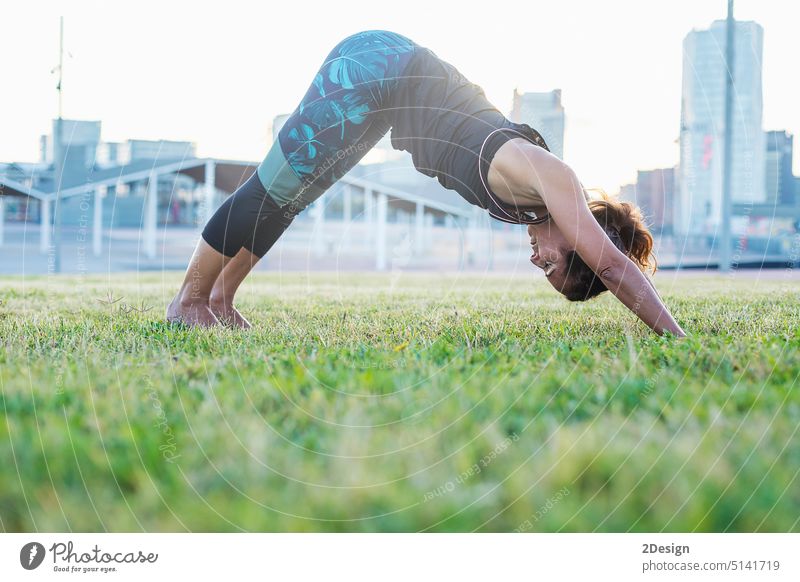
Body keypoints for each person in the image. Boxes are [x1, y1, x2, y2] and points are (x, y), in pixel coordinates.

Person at [167, 30, 685, 337]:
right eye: (551, 262)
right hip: (378, 68)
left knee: (290, 197)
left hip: (386, 102)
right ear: (581, 241)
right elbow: (614, 266)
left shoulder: (532, 205)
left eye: (541, 270)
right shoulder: (552, 177)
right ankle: (188, 302)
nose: (535, 261)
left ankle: (220, 299)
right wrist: (677, 337)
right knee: (271, 186)